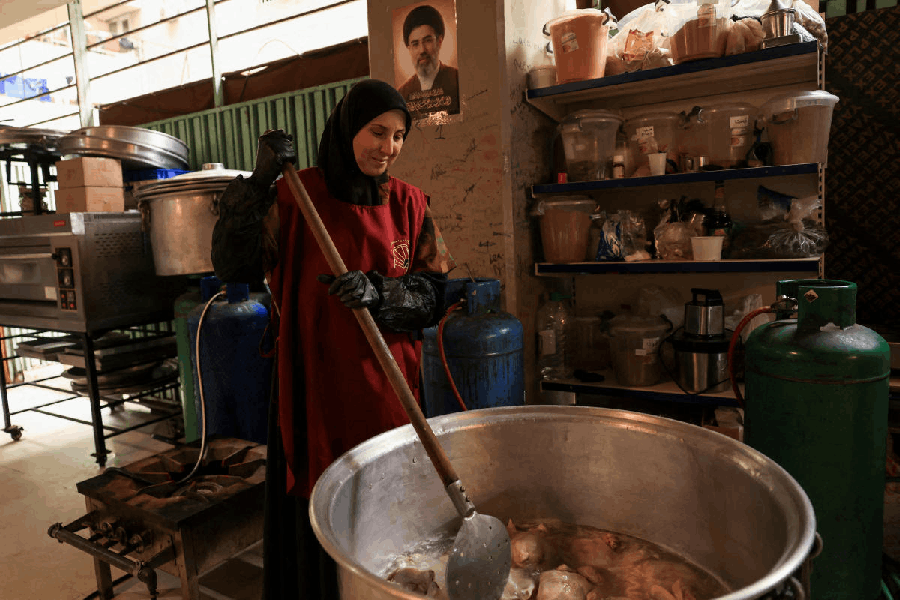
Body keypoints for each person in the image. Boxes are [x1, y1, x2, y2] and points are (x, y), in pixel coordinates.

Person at [210, 79, 456, 598]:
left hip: (390, 396)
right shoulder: (299, 197)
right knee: (319, 520)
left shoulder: (411, 206)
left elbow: (435, 295)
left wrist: (382, 294)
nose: (387, 148)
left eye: (398, 136)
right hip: (312, 392)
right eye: (376, 132)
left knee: (387, 513)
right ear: (348, 128)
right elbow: (231, 262)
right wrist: (257, 182)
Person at [397, 4, 460, 120]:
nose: (422, 50)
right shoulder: (401, 94)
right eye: (415, 44)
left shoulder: (458, 80)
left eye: (428, 41)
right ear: (409, 49)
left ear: (439, 41)